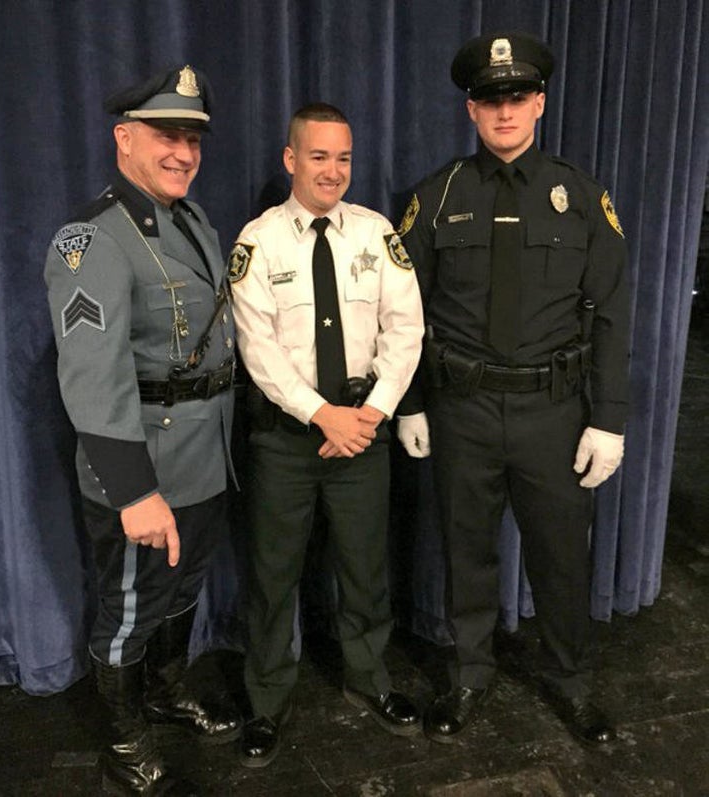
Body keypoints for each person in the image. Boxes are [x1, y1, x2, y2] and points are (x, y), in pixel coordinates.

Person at [396, 32, 630, 745]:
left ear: (540, 102)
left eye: (517, 96)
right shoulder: (436, 197)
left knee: (561, 554)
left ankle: (571, 678)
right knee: (465, 550)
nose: (505, 111)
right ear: (471, 108)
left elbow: (614, 309)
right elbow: (404, 309)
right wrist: (408, 402)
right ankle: (470, 673)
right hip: (462, 406)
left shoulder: (583, 196)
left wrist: (609, 418)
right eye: (490, 98)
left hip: (553, 410)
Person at [44, 65, 239, 795]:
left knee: (183, 587)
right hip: (143, 469)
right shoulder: (90, 241)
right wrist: (134, 492)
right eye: (167, 134)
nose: (184, 151)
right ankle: (125, 736)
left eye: (192, 137)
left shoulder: (192, 219)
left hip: (204, 452)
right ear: (123, 138)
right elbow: (91, 379)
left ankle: (163, 692)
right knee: (128, 606)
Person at [229, 103, 425, 768]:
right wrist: (322, 415)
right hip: (286, 438)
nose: (332, 170)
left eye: (343, 157)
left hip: (362, 430)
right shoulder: (258, 242)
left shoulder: (376, 235)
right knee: (273, 574)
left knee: (366, 567)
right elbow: (258, 352)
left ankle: (370, 678)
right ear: (291, 160)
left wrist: (369, 414)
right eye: (318, 156)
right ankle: (265, 701)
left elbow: (406, 330)